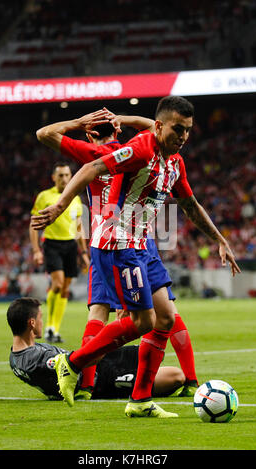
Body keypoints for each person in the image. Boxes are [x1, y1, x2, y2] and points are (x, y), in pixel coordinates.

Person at [31, 96, 241, 418]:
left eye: (187, 131)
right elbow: (91, 166)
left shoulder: (174, 162)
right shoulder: (140, 149)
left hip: (143, 245)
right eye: (177, 130)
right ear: (160, 126)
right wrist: (60, 205)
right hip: (117, 243)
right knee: (141, 321)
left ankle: (140, 399)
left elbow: (190, 205)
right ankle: (71, 363)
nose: (183, 137)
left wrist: (219, 239)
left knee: (166, 318)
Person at [36, 109, 199, 399]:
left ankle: (85, 383)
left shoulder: (89, 153)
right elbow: (157, 127)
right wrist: (123, 118)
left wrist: (76, 122)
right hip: (140, 237)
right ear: (118, 130)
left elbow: (44, 133)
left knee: (101, 311)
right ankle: (186, 380)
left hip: (105, 238)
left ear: (89, 134)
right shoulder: (133, 148)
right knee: (164, 312)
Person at [7, 297, 185, 401]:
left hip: (99, 363)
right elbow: (67, 367)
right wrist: (108, 340)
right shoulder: (34, 359)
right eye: (40, 317)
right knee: (176, 376)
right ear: (31, 323)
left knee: (151, 354)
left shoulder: (15, 357)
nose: (41, 321)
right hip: (102, 381)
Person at [29, 161, 90, 343]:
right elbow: (33, 225)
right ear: (53, 177)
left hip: (70, 246)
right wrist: (36, 250)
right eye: (60, 175)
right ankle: (49, 325)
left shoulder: (75, 198)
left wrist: (84, 252)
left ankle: (53, 329)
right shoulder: (44, 196)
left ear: (71, 177)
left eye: (67, 175)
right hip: (52, 244)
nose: (64, 178)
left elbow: (79, 228)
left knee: (64, 289)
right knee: (57, 284)